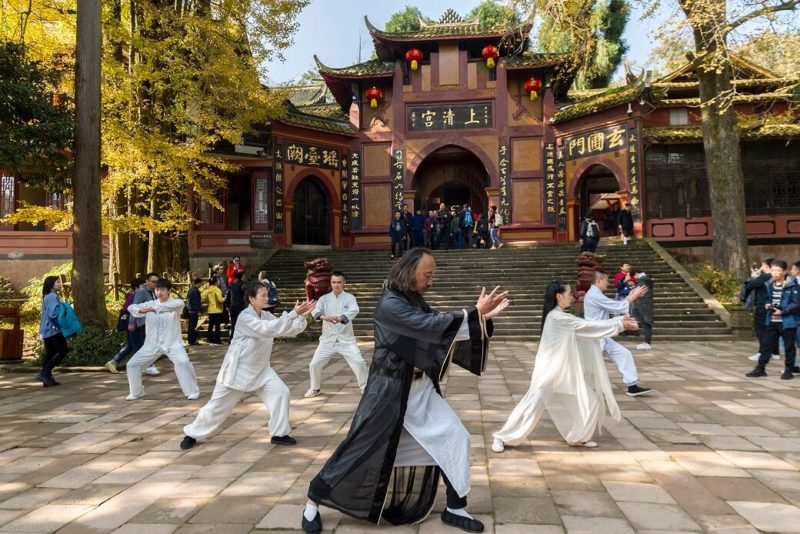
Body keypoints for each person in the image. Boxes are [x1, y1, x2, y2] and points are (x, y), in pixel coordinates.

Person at [301, 248, 509, 534]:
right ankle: (314, 499)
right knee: (361, 451)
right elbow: (428, 327)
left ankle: (455, 507)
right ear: (410, 271)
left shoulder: (413, 301)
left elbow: (436, 329)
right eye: (428, 274)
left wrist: (480, 319)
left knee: (456, 437)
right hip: (389, 392)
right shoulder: (390, 305)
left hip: (421, 391)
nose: (431, 280)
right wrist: (472, 314)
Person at [492, 281, 639, 453]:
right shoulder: (556, 317)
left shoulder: (560, 316)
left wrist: (619, 320)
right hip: (549, 372)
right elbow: (586, 326)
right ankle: (501, 437)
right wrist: (620, 324)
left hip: (564, 371)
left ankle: (578, 437)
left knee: (592, 400)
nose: (572, 296)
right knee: (531, 407)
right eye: (569, 293)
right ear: (559, 296)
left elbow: (584, 326)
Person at [179, 283, 315, 451]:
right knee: (217, 407)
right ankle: (192, 433)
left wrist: (301, 317)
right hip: (237, 371)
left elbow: (287, 330)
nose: (267, 298)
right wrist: (294, 313)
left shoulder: (266, 315)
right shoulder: (245, 317)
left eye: (267, 295)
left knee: (281, 393)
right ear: (251, 299)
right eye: (263, 295)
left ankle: (279, 433)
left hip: (262, 370)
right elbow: (268, 329)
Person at [125, 279, 200, 401]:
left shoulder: (177, 303)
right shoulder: (150, 304)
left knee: (183, 362)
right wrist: (140, 310)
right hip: (151, 345)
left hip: (172, 343)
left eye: (163, 290)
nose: (159, 293)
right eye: (157, 290)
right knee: (132, 364)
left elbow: (173, 306)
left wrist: (153, 309)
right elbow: (131, 307)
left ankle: (192, 391)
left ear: (169, 290)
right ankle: (137, 392)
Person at [583, 270, 652, 396]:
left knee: (624, 354)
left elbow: (616, 305)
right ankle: (586, 387)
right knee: (591, 364)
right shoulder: (594, 295)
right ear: (599, 281)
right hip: (596, 335)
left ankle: (632, 386)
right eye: (606, 280)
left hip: (603, 334)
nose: (608, 283)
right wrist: (634, 295)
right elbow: (619, 307)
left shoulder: (596, 294)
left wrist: (631, 295)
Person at [304, 271, 368, 398]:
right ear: (331, 283)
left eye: (339, 282)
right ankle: (315, 388)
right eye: (334, 282)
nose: (336, 285)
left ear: (344, 283)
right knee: (314, 364)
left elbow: (354, 309)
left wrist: (340, 318)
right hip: (327, 341)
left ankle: (365, 387)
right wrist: (324, 317)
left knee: (359, 362)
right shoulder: (324, 299)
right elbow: (315, 310)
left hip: (346, 340)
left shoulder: (350, 298)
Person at [746, 260, 800, 380]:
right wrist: (767, 305)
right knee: (767, 345)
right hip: (772, 320)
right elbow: (767, 298)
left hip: (788, 321)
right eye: (773, 270)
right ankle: (760, 368)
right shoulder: (769, 284)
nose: (775, 273)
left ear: (784, 271)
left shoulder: (792, 285)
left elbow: (796, 303)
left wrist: (783, 311)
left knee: (789, 347)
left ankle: (788, 370)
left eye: (778, 270)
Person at [106, 278, 145, 372]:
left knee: (131, 346)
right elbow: (130, 309)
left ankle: (113, 362)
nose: (144, 288)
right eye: (142, 286)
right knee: (137, 346)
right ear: (136, 288)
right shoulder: (134, 297)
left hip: (133, 325)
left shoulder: (134, 296)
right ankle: (137, 367)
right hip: (132, 325)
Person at [746, 259, 781, 362]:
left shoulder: (765, 276)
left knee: (760, 329)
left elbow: (750, 285)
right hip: (774, 305)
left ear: (766, 266)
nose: (762, 267)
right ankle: (775, 352)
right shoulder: (777, 277)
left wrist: (754, 276)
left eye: (763, 265)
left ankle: (763, 352)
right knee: (772, 330)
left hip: (762, 306)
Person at [128, 272, 161, 376]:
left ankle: (145, 366)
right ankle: (148, 366)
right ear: (147, 282)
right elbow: (135, 307)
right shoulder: (142, 292)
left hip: (154, 322)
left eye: (157, 282)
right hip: (144, 322)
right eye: (153, 282)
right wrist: (131, 322)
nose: (155, 284)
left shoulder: (156, 292)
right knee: (147, 345)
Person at [37, 276, 68, 386]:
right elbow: (53, 314)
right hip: (53, 329)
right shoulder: (52, 296)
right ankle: (44, 373)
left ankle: (47, 379)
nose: (60, 284)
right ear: (51, 284)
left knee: (50, 353)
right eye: (57, 282)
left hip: (46, 330)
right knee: (62, 351)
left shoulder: (47, 296)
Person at [631, 270, 654, 350]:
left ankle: (647, 343)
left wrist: (634, 292)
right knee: (646, 323)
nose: (635, 278)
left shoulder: (642, 280)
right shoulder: (646, 279)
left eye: (634, 276)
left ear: (637, 274)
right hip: (646, 305)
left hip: (643, 305)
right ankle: (647, 342)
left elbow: (641, 293)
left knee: (646, 323)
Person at [203, 277, 225, 346]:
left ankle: (210, 339)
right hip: (217, 310)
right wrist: (225, 298)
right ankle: (217, 340)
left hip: (210, 310)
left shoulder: (208, 290)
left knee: (210, 325)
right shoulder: (217, 290)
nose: (219, 282)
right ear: (215, 282)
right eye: (218, 281)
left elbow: (204, 299)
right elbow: (220, 300)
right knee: (217, 326)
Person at [226, 271, 247, 340]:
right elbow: (246, 295)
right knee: (241, 323)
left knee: (233, 324)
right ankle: (240, 338)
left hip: (232, 307)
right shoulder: (243, 285)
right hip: (240, 306)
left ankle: (232, 338)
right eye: (244, 275)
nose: (245, 276)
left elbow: (228, 296)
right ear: (241, 276)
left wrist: (227, 306)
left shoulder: (231, 284)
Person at [186, 278, 203, 345]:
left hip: (190, 310)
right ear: (198, 283)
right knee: (193, 326)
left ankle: (190, 340)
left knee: (191, 326)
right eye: (200, 283)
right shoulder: (196, 291)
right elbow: (196, 302)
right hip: (194, 310)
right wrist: (198, 311)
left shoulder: (191, 290)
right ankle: (192, 340)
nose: (201, 285)